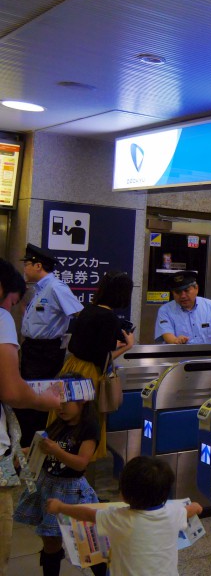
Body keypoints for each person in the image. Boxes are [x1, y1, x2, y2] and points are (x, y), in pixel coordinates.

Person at [0, 259, 61, 576]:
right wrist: (43, 401)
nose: (12, 309)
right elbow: (12, 390)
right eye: (12, 302)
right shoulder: (0, 318)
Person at [47, 456, 202, 576]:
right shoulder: (174, 513)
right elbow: (195, 508)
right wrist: (195, 506)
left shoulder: (119, 518)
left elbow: (88, 514)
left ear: (125, 495)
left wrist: (61, 507)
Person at [14, 395, 105, 576]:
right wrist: (24, 452)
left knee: (88, 542)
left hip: (72, 489)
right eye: (57, 402)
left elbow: (81, 463)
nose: (59, 407)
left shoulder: (89, 428)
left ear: (82, 401)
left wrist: (56, 451)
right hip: (48, 486)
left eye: (65, 403)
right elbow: (42, 449)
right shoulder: (58, 424)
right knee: (50, 540)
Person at [56, 271, 135, 460]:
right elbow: (102, 357)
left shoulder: (87, 310)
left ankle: (59, 452)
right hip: (88, 374)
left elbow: (86, 344)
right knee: (85, 419)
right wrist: (128, 346)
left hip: (71, 367)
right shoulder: (109, 318)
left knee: (65, 415)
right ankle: (82, 459)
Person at [17, 244, 83, 444]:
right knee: (29, 396)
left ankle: (36, 442)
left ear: (38, 266)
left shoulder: (55, 287)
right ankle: (29, 440)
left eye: (27, 265)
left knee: (38, 399)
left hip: (45, 352)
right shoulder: (39, 289)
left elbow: (78, 313)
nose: (24, 269)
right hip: (32, 349)